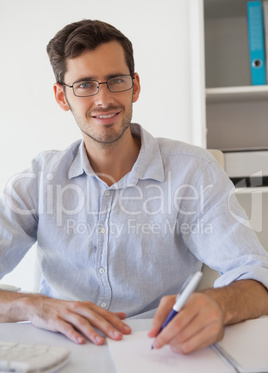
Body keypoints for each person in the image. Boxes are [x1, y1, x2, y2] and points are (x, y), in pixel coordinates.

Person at [0, 19, 267, 355]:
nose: (104, 99)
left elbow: (257, 277)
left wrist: (218, 304)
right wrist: (32, 306)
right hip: (60, 353)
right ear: (61, 96)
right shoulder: (39, 178)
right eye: (84, 85)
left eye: (116, 81)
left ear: (135, 86)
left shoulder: (193, 172)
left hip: (158, 349)